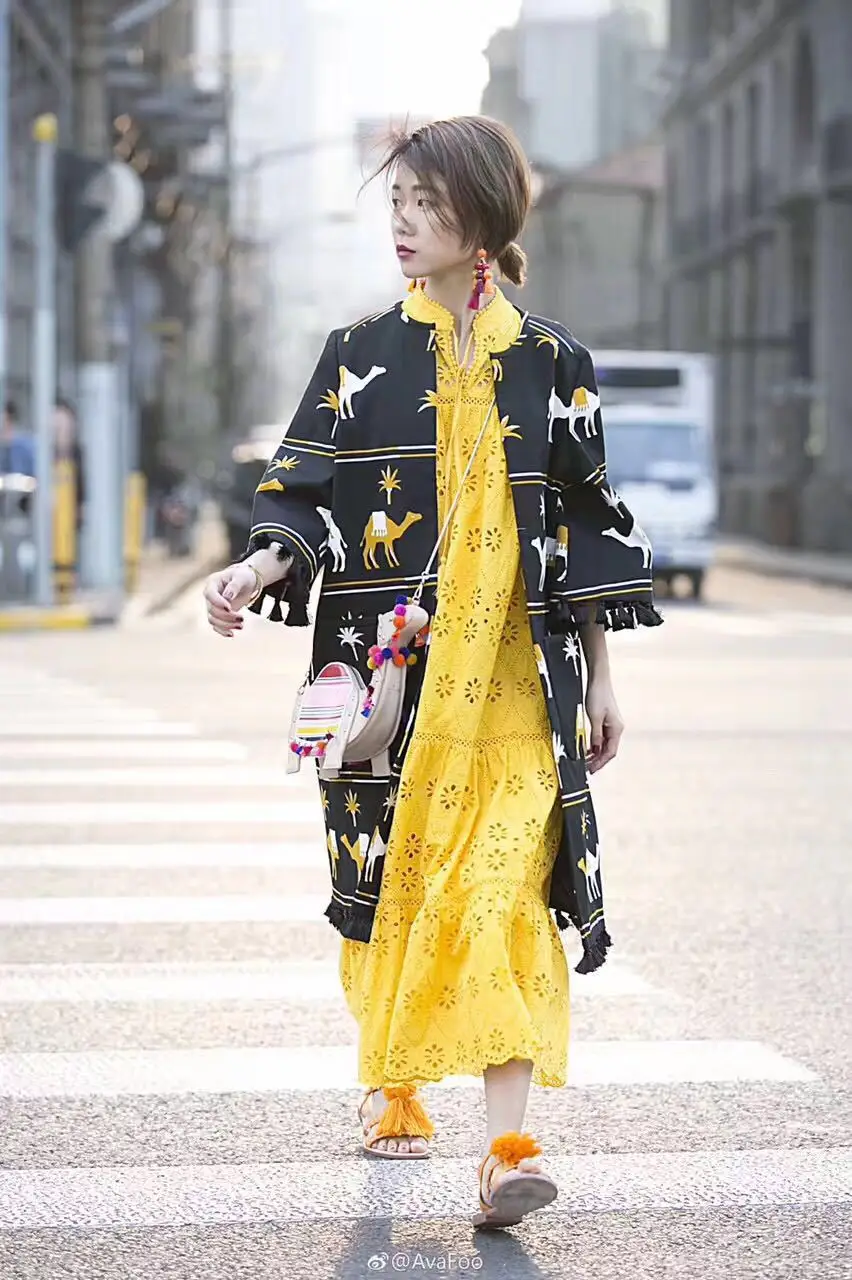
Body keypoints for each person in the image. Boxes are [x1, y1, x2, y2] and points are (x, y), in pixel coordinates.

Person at [202, 116, 662, 1228]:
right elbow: (302, 487)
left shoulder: (552, 362)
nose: (403, 223)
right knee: (389, 889)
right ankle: (392, 1079)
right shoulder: (359, 352)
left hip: (518, 684)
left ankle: (507, 1152)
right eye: (397, 201)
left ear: (484, 218)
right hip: (389, 683)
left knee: (504, 893)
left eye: (426, 202)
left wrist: (601, 676)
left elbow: (587, 524)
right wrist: (259, 564)